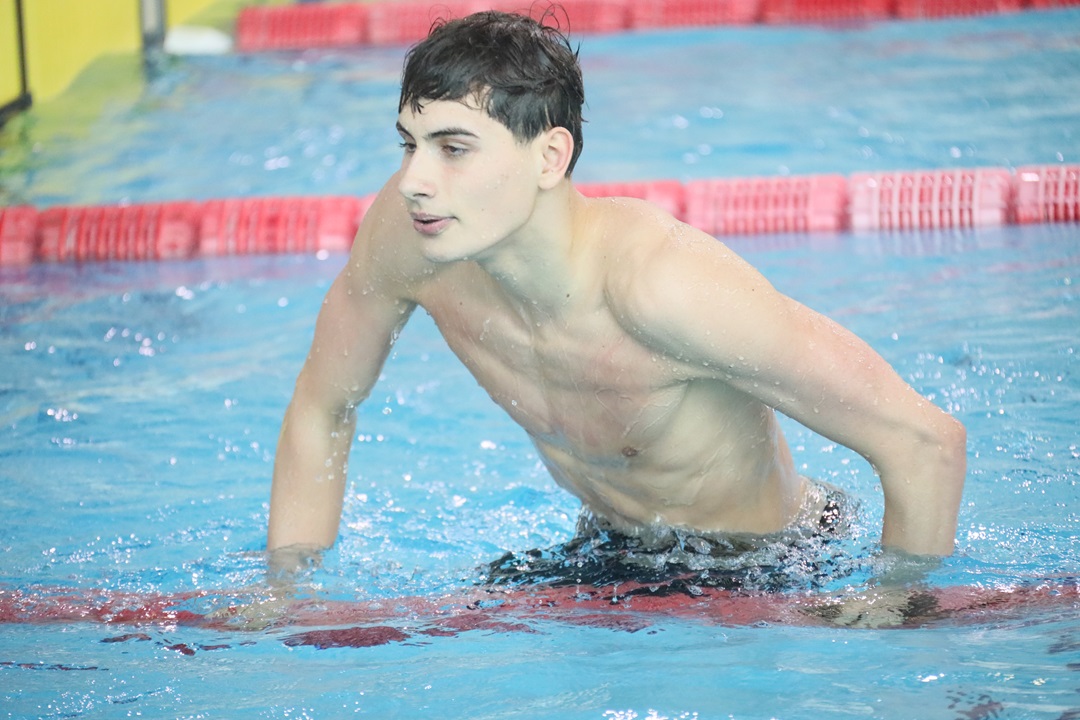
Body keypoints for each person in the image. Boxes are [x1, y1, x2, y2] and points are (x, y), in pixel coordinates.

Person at [267, 10, 967, 592]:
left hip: (774, 564)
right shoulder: (409, 241)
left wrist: (896, 610)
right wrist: (285, 590)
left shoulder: (662, 287)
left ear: (550, 157)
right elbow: (322, 405)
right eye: (409, 144)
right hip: (615, 550)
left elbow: (925, 441)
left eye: (453, 149)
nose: (414, 181)